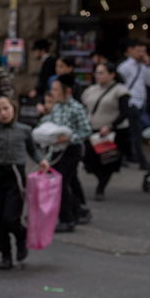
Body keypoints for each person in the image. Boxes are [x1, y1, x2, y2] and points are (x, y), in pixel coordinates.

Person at [0, 96, 43, 270]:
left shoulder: (24, 130)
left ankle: (21, 235)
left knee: (10, 217)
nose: (3, 113)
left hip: (16, 176)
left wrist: (42, 161)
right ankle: (5, 254)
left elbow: (33, 150)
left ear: (13, 108)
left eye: (6, 108)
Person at [38, 75, 93, 231]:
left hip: (71, 150)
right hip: (56, 150)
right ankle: (77, 209)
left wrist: (69, 138)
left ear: (67, 90)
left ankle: (67, 219)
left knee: (60, 184)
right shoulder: (56, 107)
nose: (52, 92)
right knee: (60, 183)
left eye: (56, 89)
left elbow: (86, 131)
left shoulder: (76, 108)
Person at [80, 61, 130, 201]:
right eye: (96, 72)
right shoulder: (90, 90)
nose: (98, 75)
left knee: (107, 162)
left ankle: (101, 187)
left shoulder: (120, 90)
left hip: (112, 133)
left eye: (101, 73)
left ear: (112, 75)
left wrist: (111, 126)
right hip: (93, 131)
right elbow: (83, 108)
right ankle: (100, 180)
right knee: (89, 161)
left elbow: (125, 112)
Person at [117, 39, 150, 167]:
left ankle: (127, 157)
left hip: (141, 103)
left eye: (144, 51)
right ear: (130, 51)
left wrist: (148, 65)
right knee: (136, 132)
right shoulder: (124, 67)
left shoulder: (144, 66)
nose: (141, 54)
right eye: (139, 51)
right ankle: (141, 160)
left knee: (132, 132)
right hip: (130, 102)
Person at [28, 38, 56, 104]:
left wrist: (37, 90)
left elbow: (45, 79)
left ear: (42, 50)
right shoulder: (47, 61)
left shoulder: (49, 61)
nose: (34, 53)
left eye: (35, 50)